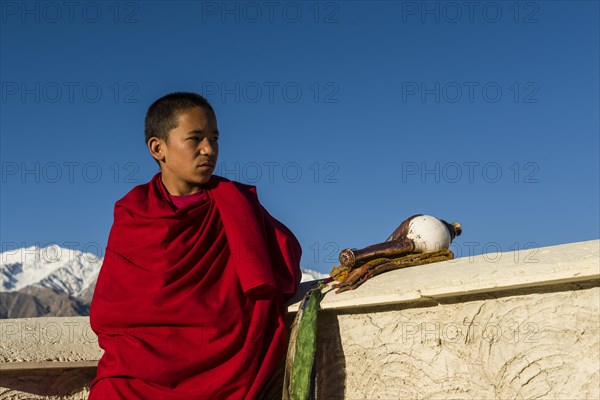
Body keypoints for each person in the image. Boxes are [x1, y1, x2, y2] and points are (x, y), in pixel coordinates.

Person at [89, 92, 302, 399]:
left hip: (227, 366)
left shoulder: (236, 204)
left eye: (214, 139)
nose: (208, 150)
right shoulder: (134, 214)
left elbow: (283, 265)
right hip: (139, 375)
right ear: (157, 148)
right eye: (195, 139)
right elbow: (114, 313)